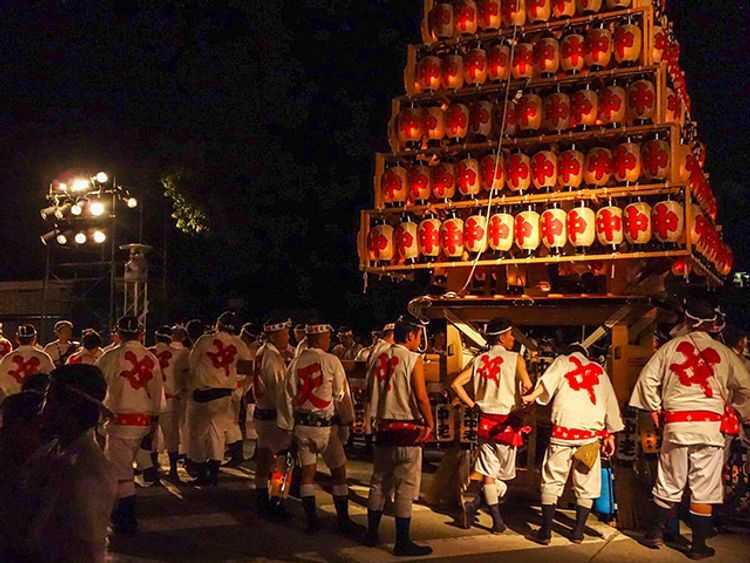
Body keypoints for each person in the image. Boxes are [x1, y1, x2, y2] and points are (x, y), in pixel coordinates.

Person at [629, 300, 750, 560]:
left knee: (669, 478)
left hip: (676, 424)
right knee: (704, 486)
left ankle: (655, 533)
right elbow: (746, 388)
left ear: (687, 320)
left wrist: (654, 407)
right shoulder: (724, 353)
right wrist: (739, 412)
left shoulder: (669, 349)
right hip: (710, 427)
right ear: (713, 325)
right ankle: (697, 545)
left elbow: (647, 380)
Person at [4, 365, 118, 562]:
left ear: (70, 406)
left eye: (48, 400)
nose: (42, 410)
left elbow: (85, 546)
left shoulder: (89, 470)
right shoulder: (52, 452)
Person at [522, 342, 623, 545]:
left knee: (552, 480)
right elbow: (610, 403)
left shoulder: (563, 361)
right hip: (589, 438)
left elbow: (547, 382)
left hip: (563, 434)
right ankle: (578, 532)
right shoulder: (599, 370)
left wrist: (531, 396)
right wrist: (610, 434)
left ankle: (546, 531)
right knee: (586, 483)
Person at [278, 322, 362, 535]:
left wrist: (287, 426)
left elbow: (287, 395)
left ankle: (311, 521)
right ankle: (343, 520)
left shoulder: (296, 362)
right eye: (327, 337)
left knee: (307, 473)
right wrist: (346, 421)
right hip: (325, 426)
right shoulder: (331, 361)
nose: (329, 340)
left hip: (303, 425)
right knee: (338, 471)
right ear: (319, 338)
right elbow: (341, 393)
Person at [451, 318, 533, 533]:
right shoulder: (515, 359)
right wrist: (525, 406)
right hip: (507, 422)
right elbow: (528, 386)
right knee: (503, 477)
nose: (513, 338)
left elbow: (456, 384)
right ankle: (488, 515)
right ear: (501, 337)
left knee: (489, 473)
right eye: (510, 334)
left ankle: (489, 517)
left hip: (485, 421)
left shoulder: (479, 360)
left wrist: (473, 405)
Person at [364, 317, 434, 557]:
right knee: (405, 486)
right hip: (406, 428)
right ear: (411, 336)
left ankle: (371, 533)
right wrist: (430, 421)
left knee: (378, 482)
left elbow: (369, 390)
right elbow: (421, 396)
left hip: (383, 426)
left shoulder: (377, 357)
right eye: (418, 336)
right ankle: (402, 541)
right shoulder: (412, 358)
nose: (419, 340)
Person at [97, 316, 162, 535]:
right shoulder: (151, 358)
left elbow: (98, 389)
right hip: (143, 419)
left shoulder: (110, 357)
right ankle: (147, 469)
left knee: (121, 472)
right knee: (127, 465)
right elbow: (157, 391)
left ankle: (126, 517)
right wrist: (154, 420)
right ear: (141, 334)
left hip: (119, 422)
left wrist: (99, 419)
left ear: (119, 333)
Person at [187, 312, 252, 486]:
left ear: (218, 324)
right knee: (217, 434)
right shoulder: (238, 344)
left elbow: (191, 364)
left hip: (203, 393)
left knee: (199, 434)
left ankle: (202, 473)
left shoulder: (204, 340)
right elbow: (248, 368)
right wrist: (236, 381)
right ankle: (213, 473)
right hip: (224, 395)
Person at [253, 318, 293, 517]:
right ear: (274, 336)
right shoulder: (273, 358)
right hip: (273, 415)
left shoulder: (262, 352)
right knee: (282, 460)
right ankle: (277, 499)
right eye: (284, 333)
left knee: (264, 457)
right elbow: (280, 391)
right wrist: (288, 419)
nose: (288, 336)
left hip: (261, 412)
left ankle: (261, 497)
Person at [151, 325, 190, 479]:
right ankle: (173, 470)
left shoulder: (147, 353)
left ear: (156, 338)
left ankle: (152, 468)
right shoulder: (180, 355)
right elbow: (186, 379)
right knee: (172, 436)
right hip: (171, 400)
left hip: (150, 400)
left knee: (152, 436)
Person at [0, 325, 54, 403]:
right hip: (37, 402)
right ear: (34, 338)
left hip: (13, 402)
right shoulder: (43, 357)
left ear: (17, 339)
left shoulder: (7, 359)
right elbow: (52, 379)